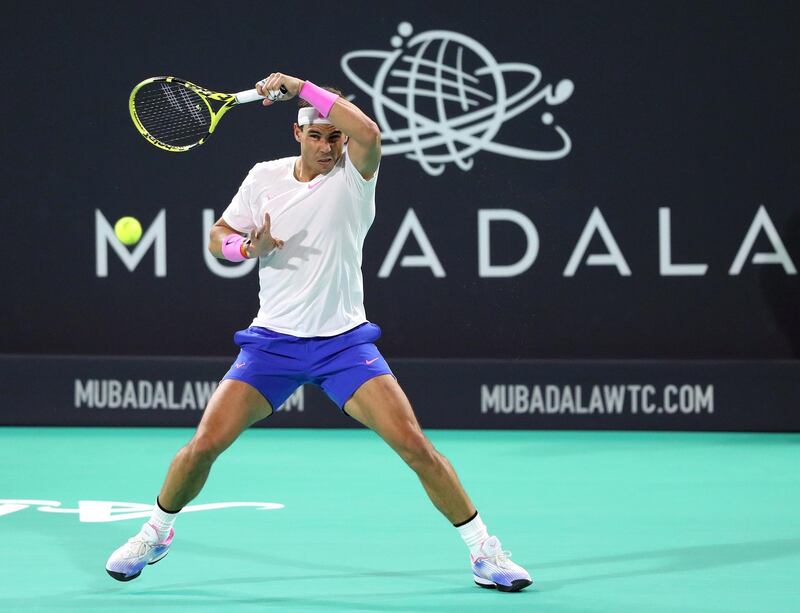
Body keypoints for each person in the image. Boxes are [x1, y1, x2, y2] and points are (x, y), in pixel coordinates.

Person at [105, 72, 532, 593]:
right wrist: (248, 250)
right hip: (272, 345)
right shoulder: (264, 177)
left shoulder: (355, 176)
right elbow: (219, 237)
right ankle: (156, 532)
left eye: (336, 136)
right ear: (296, 133)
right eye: (317, 135)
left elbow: (370, 135)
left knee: (414, 445)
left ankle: (485, 552)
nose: (329, 146)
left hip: (343, 345)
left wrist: (300, 84)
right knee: (202, 447)